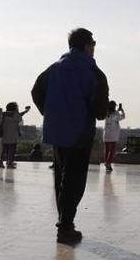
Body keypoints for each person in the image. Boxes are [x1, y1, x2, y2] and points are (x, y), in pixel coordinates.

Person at [31, 28, 109, 244]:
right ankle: (65, 225)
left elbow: (36, 91)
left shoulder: (54, 69)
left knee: (62, 177)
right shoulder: (94, 73)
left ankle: (64, 220)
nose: (94, 48)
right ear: (86, 46)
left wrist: (51, 112)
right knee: (74, 180)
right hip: (80, 133)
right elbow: (101, 111)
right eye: (93, 44)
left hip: (57, 131)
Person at [0, 102, 29, 169]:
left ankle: (1, 162)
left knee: (3, 150)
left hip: (4, 135)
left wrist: (24, 111)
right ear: (14, 108)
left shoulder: (4, 114)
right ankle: (9, 163)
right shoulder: (15, 114)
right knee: (11, 150)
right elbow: (19, 118)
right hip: (12, 136)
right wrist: (25, 111)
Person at [101, 101, 125, 172]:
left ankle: (106, 162)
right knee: (112, 151)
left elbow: (112, 116)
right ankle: (108, 163)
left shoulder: (106, 113)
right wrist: (122, 110)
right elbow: (122, 117)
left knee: (107, 150)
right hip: (114, 134)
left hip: (106, 134)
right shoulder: (116, 114)